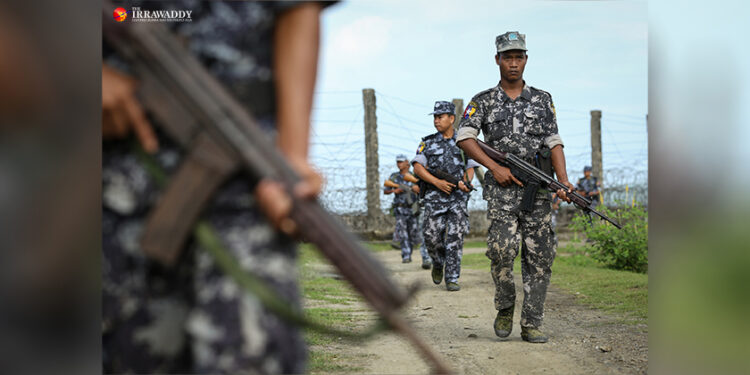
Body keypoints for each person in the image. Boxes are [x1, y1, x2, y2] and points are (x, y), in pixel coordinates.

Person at [102, 2, 331, 373]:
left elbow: (299, 8)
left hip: (251, 175)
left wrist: (292, 157)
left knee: (257, 354)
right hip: (120, 172)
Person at [456, 31, 575, 343]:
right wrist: (494, 167)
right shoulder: (482, 101)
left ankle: (532, 323)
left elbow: (554, 141)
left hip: (537, 189)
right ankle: (505, 305)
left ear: (526, 59)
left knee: (540, 257)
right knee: (501, 250)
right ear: (497, 60)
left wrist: (563, 182)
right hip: (501, 191)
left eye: (518, 57)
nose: (513, 63)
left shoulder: (542, 99)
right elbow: (464, 137)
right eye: (507, 57)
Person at [412, 101, 479, 292]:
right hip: (434, 197)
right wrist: (436, 182)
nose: (436, 120)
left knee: (455, 237)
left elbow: (470, 167)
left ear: (452, 118)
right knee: (431, 237)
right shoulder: (428, 142)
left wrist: (466, 182)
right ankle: (438, 262)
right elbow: (417, 167)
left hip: (457, 198)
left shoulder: (465, 142)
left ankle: (452, 277)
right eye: (435, 117)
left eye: (440, 117)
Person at [383, 154, 429, 266]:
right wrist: (395, 191)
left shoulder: (414, 176)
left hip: (413, 209)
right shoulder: (394, 177)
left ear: (407, 163)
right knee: (403, 233)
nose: (398, 164)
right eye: (397, 162)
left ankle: (411, 250)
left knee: (414, 233)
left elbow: (421, 190)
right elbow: (386, 190)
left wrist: (415, 189)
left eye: (401, 162)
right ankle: (406, 255)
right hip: (400, 208)